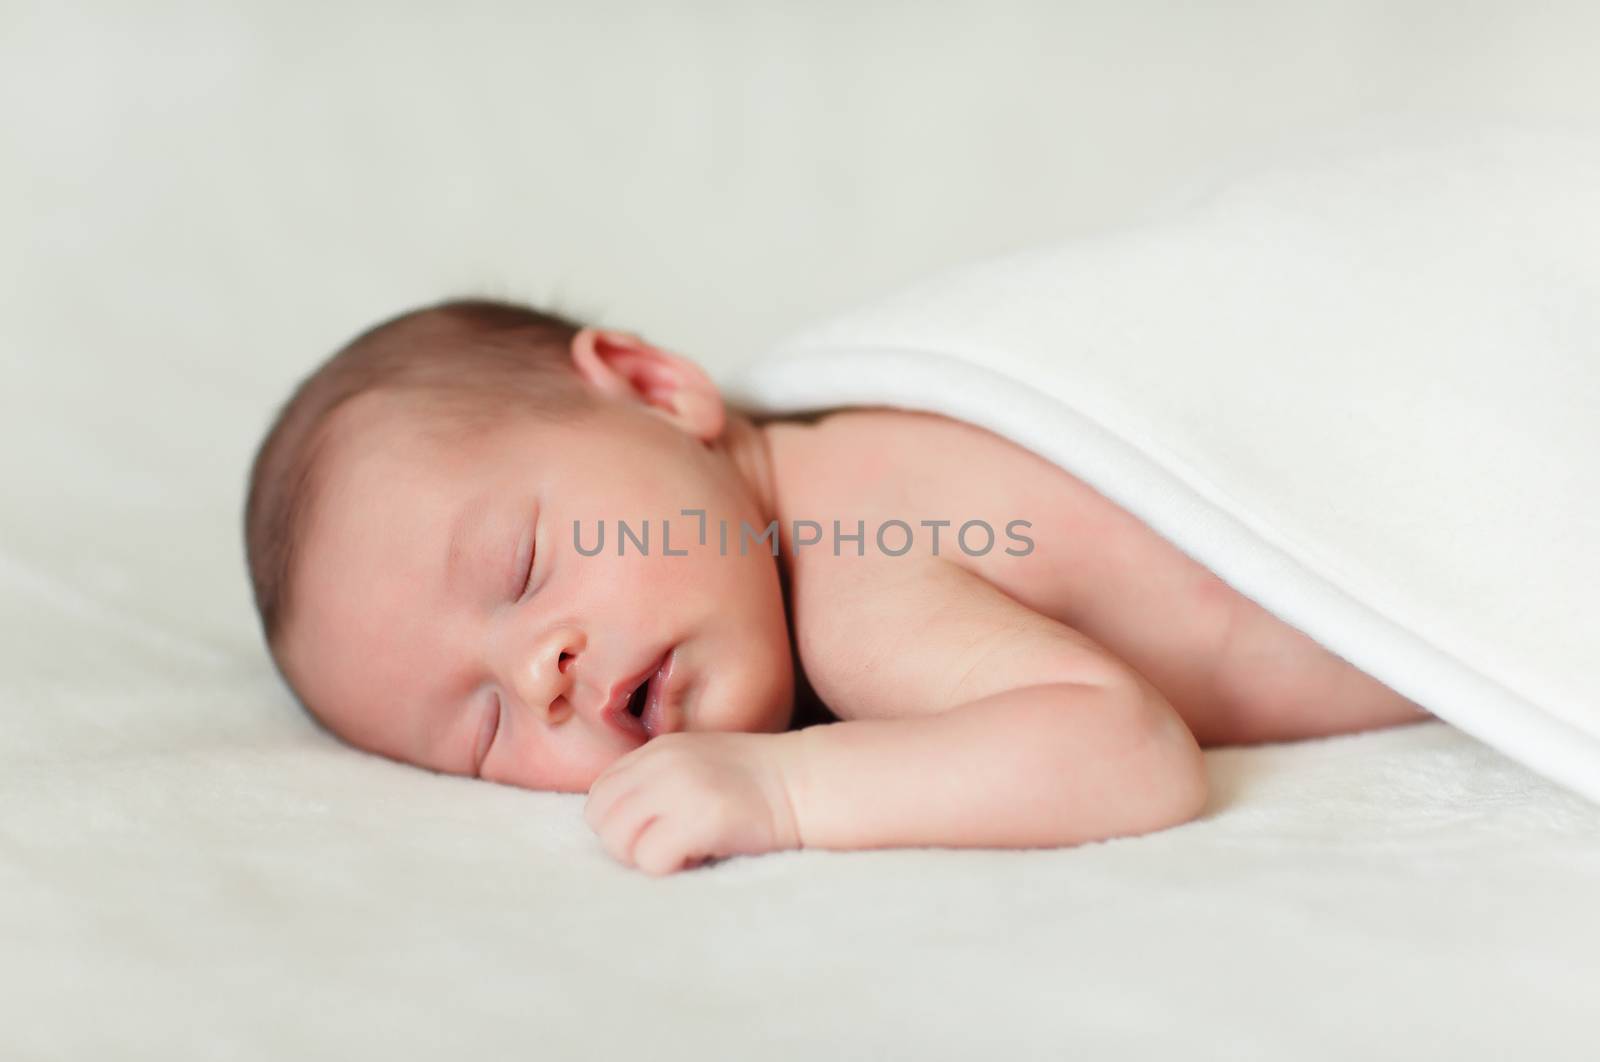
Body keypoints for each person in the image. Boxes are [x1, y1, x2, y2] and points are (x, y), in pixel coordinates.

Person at [243, 298, 1431, 875]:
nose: (538, 673)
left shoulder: (851, 580)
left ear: (657, 389)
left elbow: (1124, 751)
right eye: (482, 725)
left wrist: (787, 792)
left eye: (521, 565)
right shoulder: (834, 455)